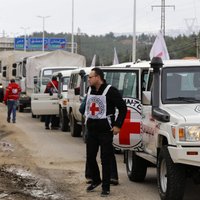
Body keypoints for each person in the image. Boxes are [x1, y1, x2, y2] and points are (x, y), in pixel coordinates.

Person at [85, 68, 127, 197]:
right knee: (90, 157)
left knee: (105, 159)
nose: (89, 79)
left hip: (105, 131)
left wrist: (117, 125)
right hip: (91, 129)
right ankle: (96, 180)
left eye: (90, 77)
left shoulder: (110, 91)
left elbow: (123, 108)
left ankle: (106, 186)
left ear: (98, 77)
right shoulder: (90, 90)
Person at [79, 96, 119, 186]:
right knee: (108, 152)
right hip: (106, 126)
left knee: (91, 153)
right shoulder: (108, 93)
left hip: (91, 126)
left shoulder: (90, 95)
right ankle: (113, 176)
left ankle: (90, 176)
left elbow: (81, 109)